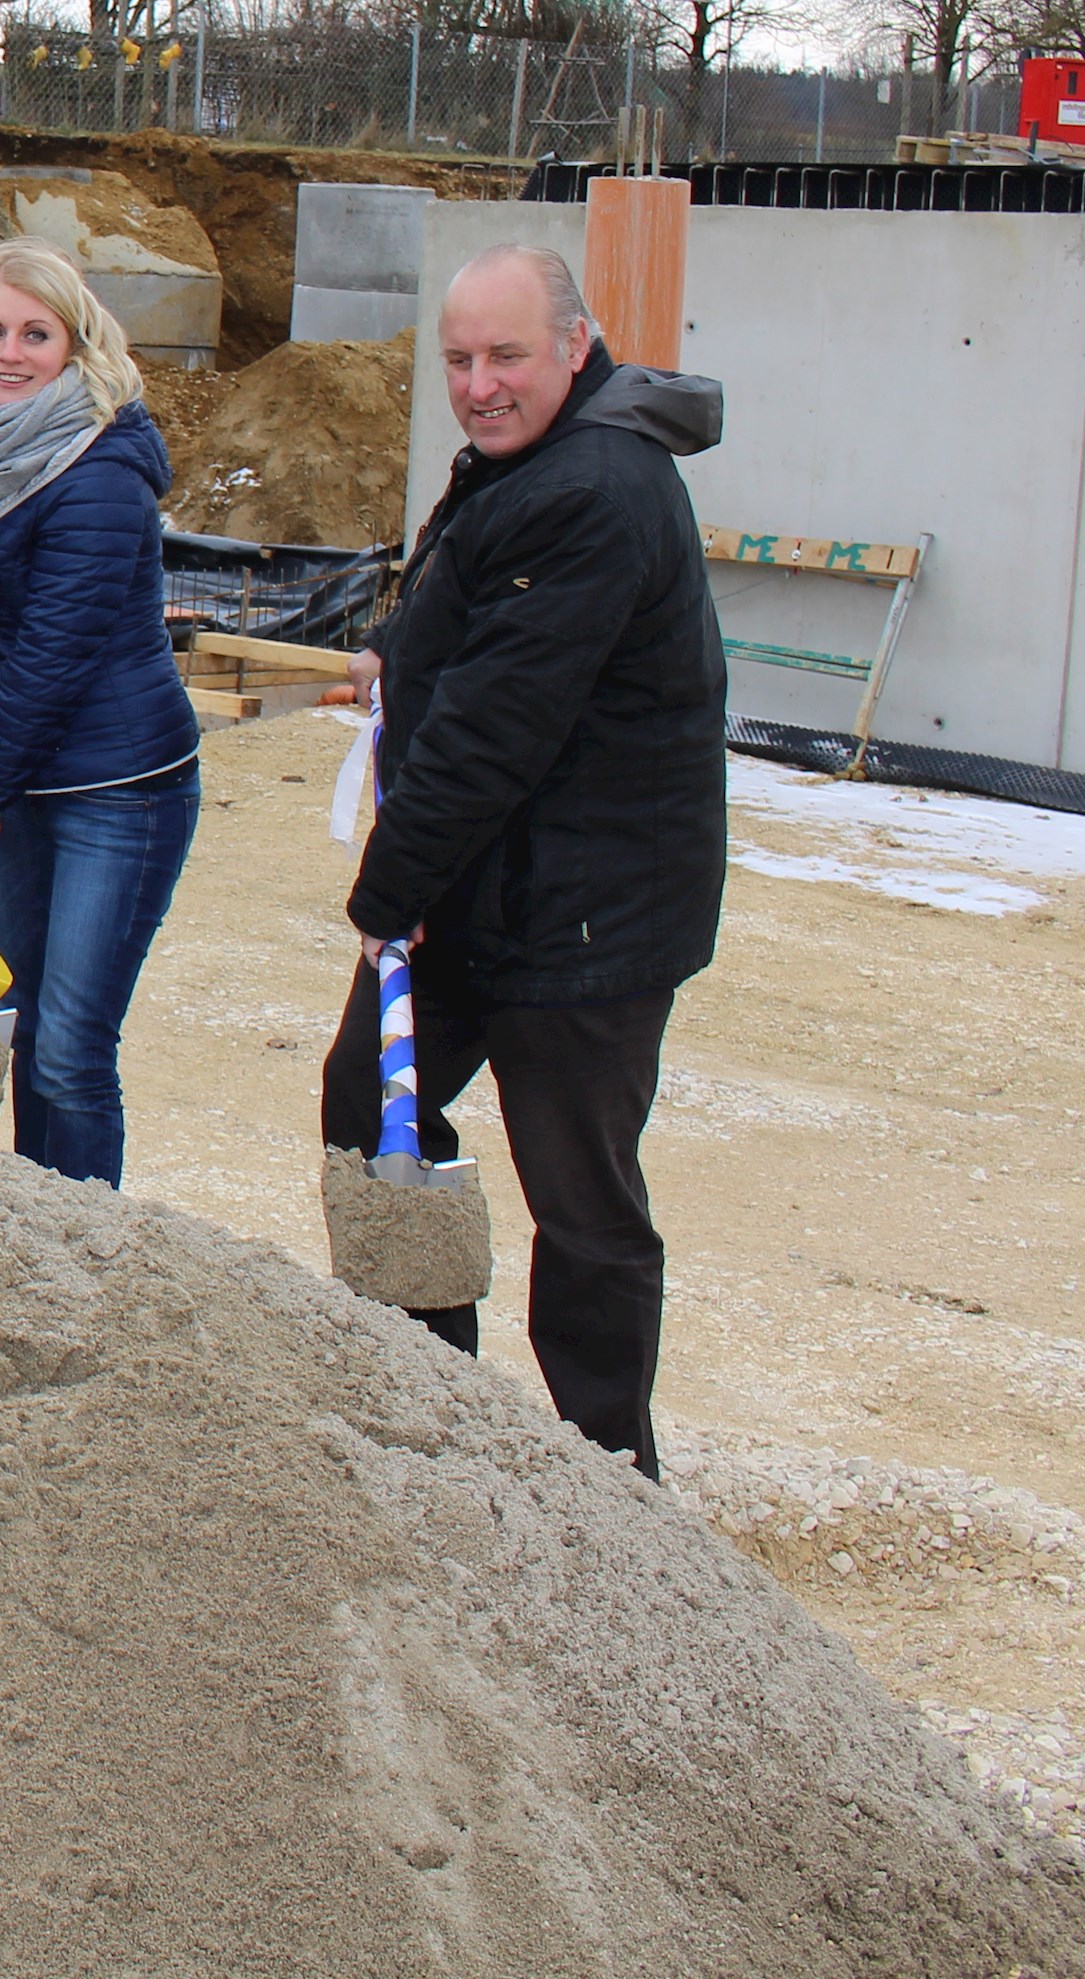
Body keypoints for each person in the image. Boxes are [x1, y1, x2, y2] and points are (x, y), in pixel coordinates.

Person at [328, 241, 724, 1478]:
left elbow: (499, 724)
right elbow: (473, 590)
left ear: (574, 342)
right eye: (457, 359)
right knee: (368, 1111)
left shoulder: (595, 486)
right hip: (487, 887)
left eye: (504, 355)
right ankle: (433, 1399)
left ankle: (610, 1475)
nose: (479, 383)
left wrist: (386, 892)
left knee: (581, 1197)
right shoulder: (540, 455)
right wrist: (401, 644)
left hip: (588, 913)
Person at [0, 237, 197, 1188]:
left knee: (72, 1042)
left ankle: (88, 1255)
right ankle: (39, 1230)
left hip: (120, 789)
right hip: (36, 779)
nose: (10, 352)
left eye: (37, 333)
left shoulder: (99, 471)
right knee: (31, 1020)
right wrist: (4, 785)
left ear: (76, 347)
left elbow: (55, 659)